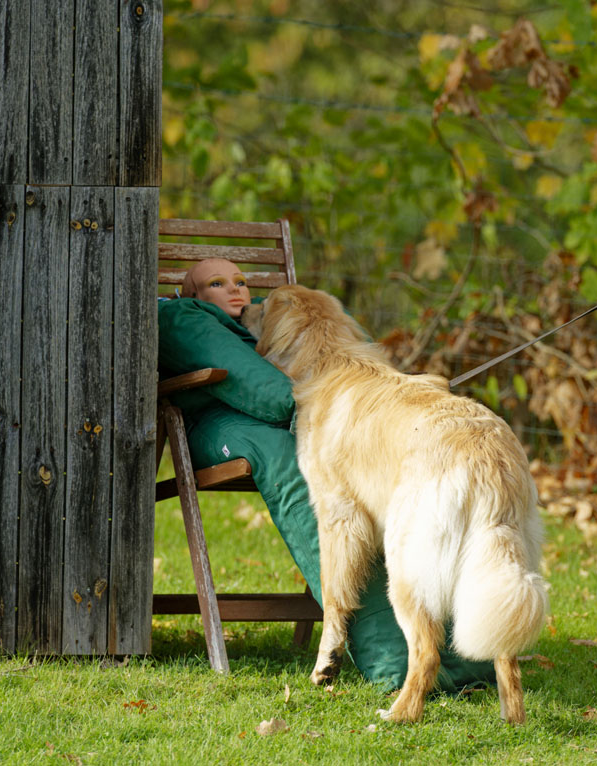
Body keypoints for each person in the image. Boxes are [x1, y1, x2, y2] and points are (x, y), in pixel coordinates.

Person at [158, 258, 494, 691]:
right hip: (228, 425)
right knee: (306, 475)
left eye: (241, 280)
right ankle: (395, 662)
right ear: (193, 293)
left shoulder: (281, 314)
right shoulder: (186, 316)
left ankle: (467, 659)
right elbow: (275, 397)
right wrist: (330, 402)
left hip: (315, 415)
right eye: (217, 283)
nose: (235, 289)